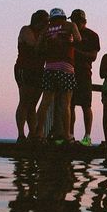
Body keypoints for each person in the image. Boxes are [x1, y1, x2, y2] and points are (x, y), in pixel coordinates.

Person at [33, 8, 82, 145]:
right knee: (65, 103)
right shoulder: (70, 26)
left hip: (49, 67)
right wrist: (67, 43)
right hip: (66, 67)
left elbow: (37, 48)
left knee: (45, 101)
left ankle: (38, 134)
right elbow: (78, 40)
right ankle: (67, 136)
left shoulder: (46, 29)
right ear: (63, 16)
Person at [15, 10, 49, 143]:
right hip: (25, 68)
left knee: (33, 104)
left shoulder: (44, 35)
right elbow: (34, 46)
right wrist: (44, 36)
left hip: (39, 70)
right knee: (24, 101)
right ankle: (21, 134)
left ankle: (33, 134)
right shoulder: (26, 30)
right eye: (46, 22)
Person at [68, 9, 100, 146]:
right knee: (70, 105)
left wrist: (76, 52)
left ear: (84, 22)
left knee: (86, 105)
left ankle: (87, 136)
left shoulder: (92, 35)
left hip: (85, 73)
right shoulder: (68, 33)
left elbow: (93, 56)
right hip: (69, 72)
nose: (74, 24)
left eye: (77, 21)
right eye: (73, 21)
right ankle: (70, 135)